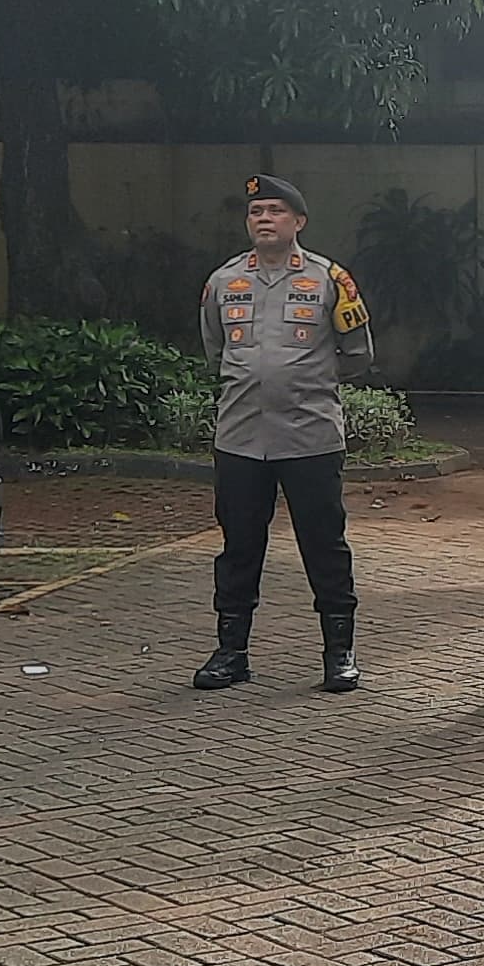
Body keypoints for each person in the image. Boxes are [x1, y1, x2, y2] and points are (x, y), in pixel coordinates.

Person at [190, 174, 377, 693]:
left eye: (275, 211)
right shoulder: (223, 281)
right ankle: (231, 652)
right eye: (256, 212)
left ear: (299, 221)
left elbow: (358, 353)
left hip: (310, 436)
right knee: (238, 546)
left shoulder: (330, 280)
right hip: (240, 438)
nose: (264, 219)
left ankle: (339, 652)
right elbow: (215, 349)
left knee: (324, 545)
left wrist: (306, 381)